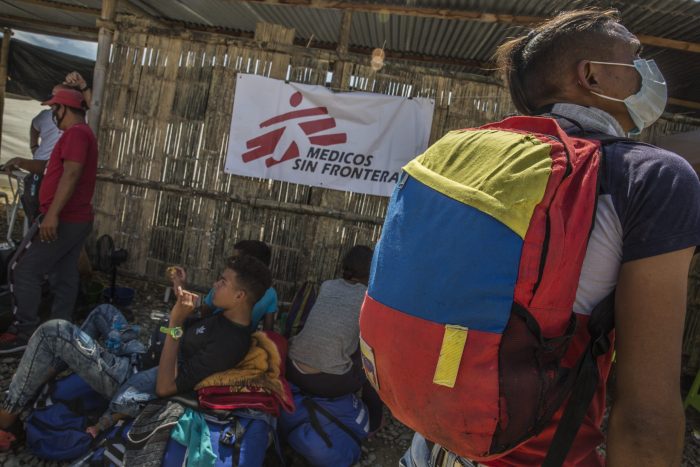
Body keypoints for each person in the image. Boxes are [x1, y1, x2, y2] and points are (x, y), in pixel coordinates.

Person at [400, 9, 700, 467]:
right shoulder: (650, 178)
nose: (648, 70)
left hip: (429, 447)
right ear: (593, 76)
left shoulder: (467, 152)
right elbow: (645, 414)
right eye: (634, 56)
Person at [0, 255, 271, 448]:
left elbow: (166, 387)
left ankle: (7, 416)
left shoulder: (230, 342)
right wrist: (180, 289)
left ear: (239, 296)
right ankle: (44, 373)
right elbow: (195, 314)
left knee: (54, 331)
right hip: (139, 354)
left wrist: (174, 324)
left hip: (131, 376)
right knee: (103, 311)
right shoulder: (224, 315)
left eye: (222, 281)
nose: (215, 284)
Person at [0, 88, 98, 354]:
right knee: (63, 274)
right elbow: (49, 168)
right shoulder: (78, 135)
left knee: (21, 268)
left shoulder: (77, 134)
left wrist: (52, 214)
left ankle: (24, 332)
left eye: (55, 109)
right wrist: (22, 161)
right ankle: (59, 333)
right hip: (77, 218)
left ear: (64, 109)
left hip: (64, 218)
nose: (52, 114)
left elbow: (72, 172)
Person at [286, 245, 383, 431]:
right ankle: (374, 422)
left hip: (292, 369)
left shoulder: (327, 285)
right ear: (372, 271)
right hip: (327, 384)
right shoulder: (368, 299)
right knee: (374, 360)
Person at [170, 240, 278, 331]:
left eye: (236, 259)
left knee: (166, 330)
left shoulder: (227, 286)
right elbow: (268, 330)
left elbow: (204, 313)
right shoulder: (271, 293)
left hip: (206, 332)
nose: (216, 284)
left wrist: (177, 318)